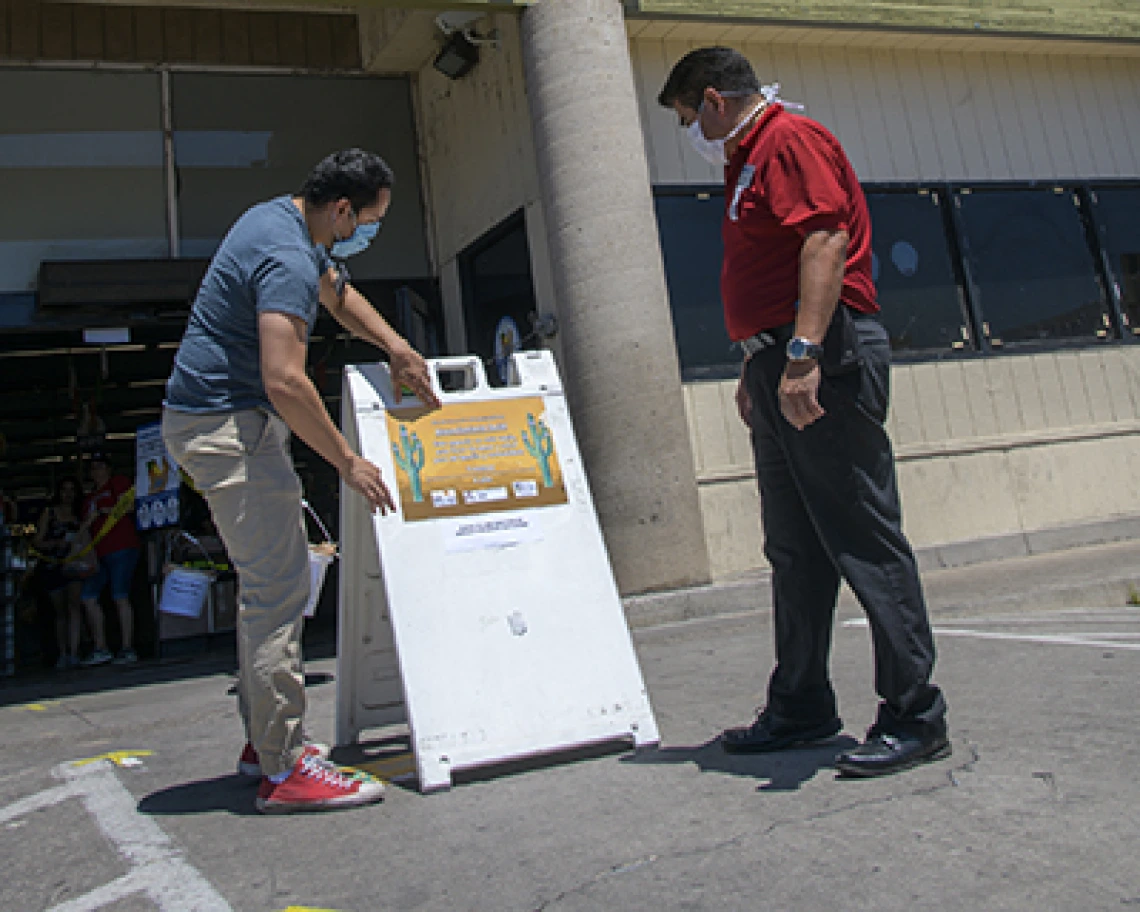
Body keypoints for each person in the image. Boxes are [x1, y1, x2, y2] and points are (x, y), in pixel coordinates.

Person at [658, 48, 949, 778]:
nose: (692, 131)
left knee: (863, 534)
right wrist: (759, 363)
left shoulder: (789, 139)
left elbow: (825, 239)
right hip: (776, 361)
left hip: (826, 357)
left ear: (717, 100)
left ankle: (915, 714)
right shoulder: (746, 161)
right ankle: (802, 706)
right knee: (794, 548)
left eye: (690, 117)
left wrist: (800, 354)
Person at [162, 148, 441, 814]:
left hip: (215, 423)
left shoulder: (279, 221)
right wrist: (347, 460)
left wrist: (395, 346)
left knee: (269, 585)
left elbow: (338, 294)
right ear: (341, 208)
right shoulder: (287, 257)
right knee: (278, 589)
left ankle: (266, 742)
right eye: (368, 220)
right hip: (231, 431)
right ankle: (285, 770)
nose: (366, 233)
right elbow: (284, 378)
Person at [79, 453, 141, 666]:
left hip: (122, 547)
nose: (96, 471)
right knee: (88, 597)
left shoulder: (119, 483)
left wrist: (106, 511)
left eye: (100, 466)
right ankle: (100, 647)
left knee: (120, 595)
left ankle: (127, 647)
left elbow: (131, 506)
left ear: (108, 469)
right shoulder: (89, 498)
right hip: (98, 554)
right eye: (93, 468)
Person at [32, 476, 86, 669]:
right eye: (65, 490)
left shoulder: (80, 515)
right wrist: (55, 543)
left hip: (73, 565)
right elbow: (37, 541)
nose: (68, 495)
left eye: (72, 490)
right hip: (52, 565)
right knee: (60, 611)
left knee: (74, 607)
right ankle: (62, 653)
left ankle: (74, 651)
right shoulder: (50, 513)